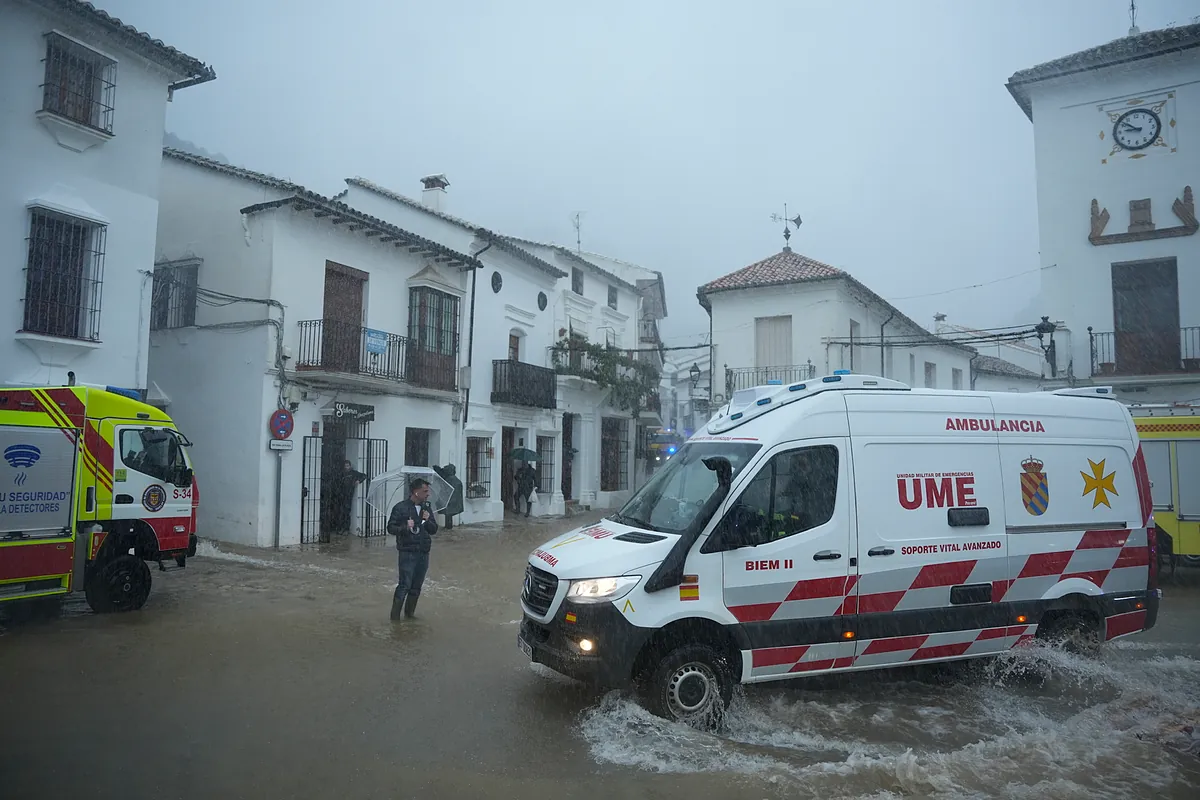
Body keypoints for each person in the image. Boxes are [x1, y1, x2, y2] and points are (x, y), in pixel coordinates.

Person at [387, 477, 438, 620]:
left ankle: (410, 615)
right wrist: (405, 527)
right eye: (425, 491)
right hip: (407, 553)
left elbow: (434, 530)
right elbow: (391, 528)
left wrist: (427, 520)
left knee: (416, 587)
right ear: (416, 492)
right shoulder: (400, 507)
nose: (428, 494)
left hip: (423, 552)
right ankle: (395, 618)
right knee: (404, 585)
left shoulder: (426, 508)